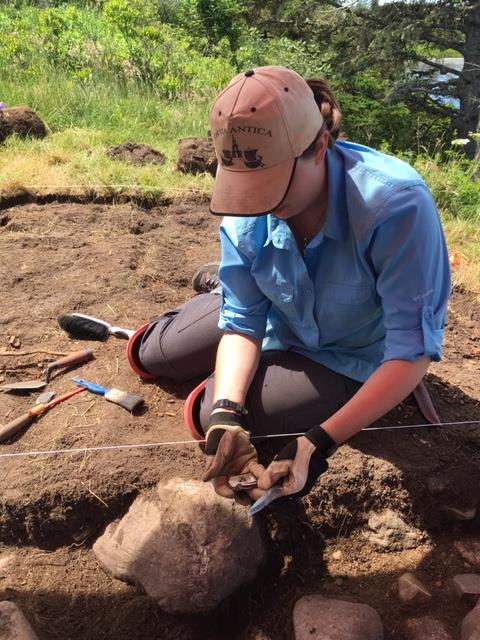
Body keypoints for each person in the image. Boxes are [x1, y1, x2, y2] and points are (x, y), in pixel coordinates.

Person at [126, 66, 451, 507]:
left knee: (206, 414)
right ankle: (217, 287)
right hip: (280, 312)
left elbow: (411, 353)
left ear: (319, 147)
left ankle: (236, 325)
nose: (257, 202)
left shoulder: (394, 207)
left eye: (271, 186)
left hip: (352, 354)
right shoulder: (247, 204)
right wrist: (228, 413)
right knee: (155, 356)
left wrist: (317, 444)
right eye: (245, 188)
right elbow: (242, 324)